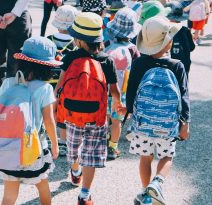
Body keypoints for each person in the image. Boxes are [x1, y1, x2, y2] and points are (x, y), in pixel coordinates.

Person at [55, 12, 122, 205]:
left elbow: (60, 86)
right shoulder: (107, 60)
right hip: (97, 116)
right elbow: (114, 90)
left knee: (73, 147)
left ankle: (75, 171)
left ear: (77, 39)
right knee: (91, 155)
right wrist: (118, 103)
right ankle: (85, 194)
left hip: (71, 114)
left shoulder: (69, 57)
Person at [124, 16, 190, 204]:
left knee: (145, 157)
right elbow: (184, 96)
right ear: (168, 43)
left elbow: (131, 94)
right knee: (168, 155)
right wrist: (185, 123)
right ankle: (157, 183)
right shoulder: (177, 65)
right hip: (168, 124)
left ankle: (146, 194)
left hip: (143, 122)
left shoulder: (139, 63)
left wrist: (130, 114)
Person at [0, 36, 60, 205]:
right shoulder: (45, 88)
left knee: (9, 195)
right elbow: (49, 121)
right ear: (47, 66)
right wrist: (55, 144)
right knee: (42, 186)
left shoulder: (9, 83)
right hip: (34, 148)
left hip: (7, 147)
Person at [105, 7, 141, 160]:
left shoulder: (106, 45)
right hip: (123, 93)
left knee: (104, 117)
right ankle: (113, 147)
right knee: (117, 121)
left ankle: (101, 142)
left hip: (104, 90)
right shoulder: (132, 49)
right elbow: (137, 70)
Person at [47, 4, 79, 156]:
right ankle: (63, 141)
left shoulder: (48, 40)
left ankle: (48, 137)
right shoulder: (76, 44)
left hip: (48, 82)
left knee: (49, 110)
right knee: (64, 112)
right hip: (67, 84)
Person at [0, 0, 32, 89]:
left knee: (18, 62)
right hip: (15, 13)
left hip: (17, 14)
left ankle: (2, 96)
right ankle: (1, 96)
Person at [166, 1, 195, 78]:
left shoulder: (164, 30)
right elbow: (191, 47)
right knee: (182, 85)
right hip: (183, 65)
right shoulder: (185, 31)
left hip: (167, 65)